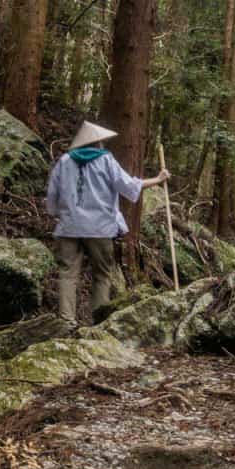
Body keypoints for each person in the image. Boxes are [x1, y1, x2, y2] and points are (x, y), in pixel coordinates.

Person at [46, 120, 169, 324]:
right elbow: (128, 186)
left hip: (68, 227)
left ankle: (66, 321)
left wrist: (57, 213)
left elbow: (52, 194)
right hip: (100, 228)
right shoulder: (106, 160)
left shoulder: (65, 161)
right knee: (102, 275)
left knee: (68, 274)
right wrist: (157, 179)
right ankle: (99, 321)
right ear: (97, 143)